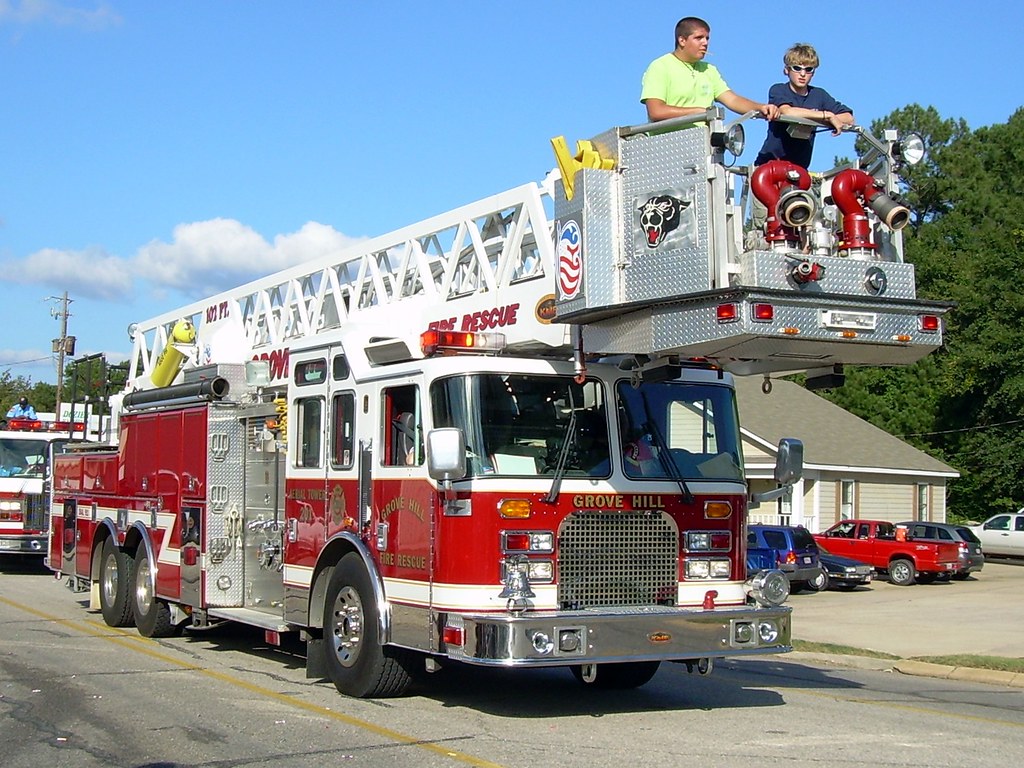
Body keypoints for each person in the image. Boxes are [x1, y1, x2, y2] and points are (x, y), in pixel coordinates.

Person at [641, 17, 780, 123]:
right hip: (668, 144)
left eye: (707, 38)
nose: (705, 43)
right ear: (682, 40)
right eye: (699, 38)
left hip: (704, 144)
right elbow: (656, 111)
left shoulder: (709, 70)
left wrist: (760, 107)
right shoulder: (660, 66)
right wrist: (700, 112)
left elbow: (732, 100)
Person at [754, 43, 854, 169]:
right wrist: (826, 116)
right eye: (797, 68)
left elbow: (849, 118)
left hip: (799, 170)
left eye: (808, 69)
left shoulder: (819, 95)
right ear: (786, 70)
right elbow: (786, 112)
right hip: (769, 165)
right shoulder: (778, 90)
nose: (802, 74)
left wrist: (829, 118)